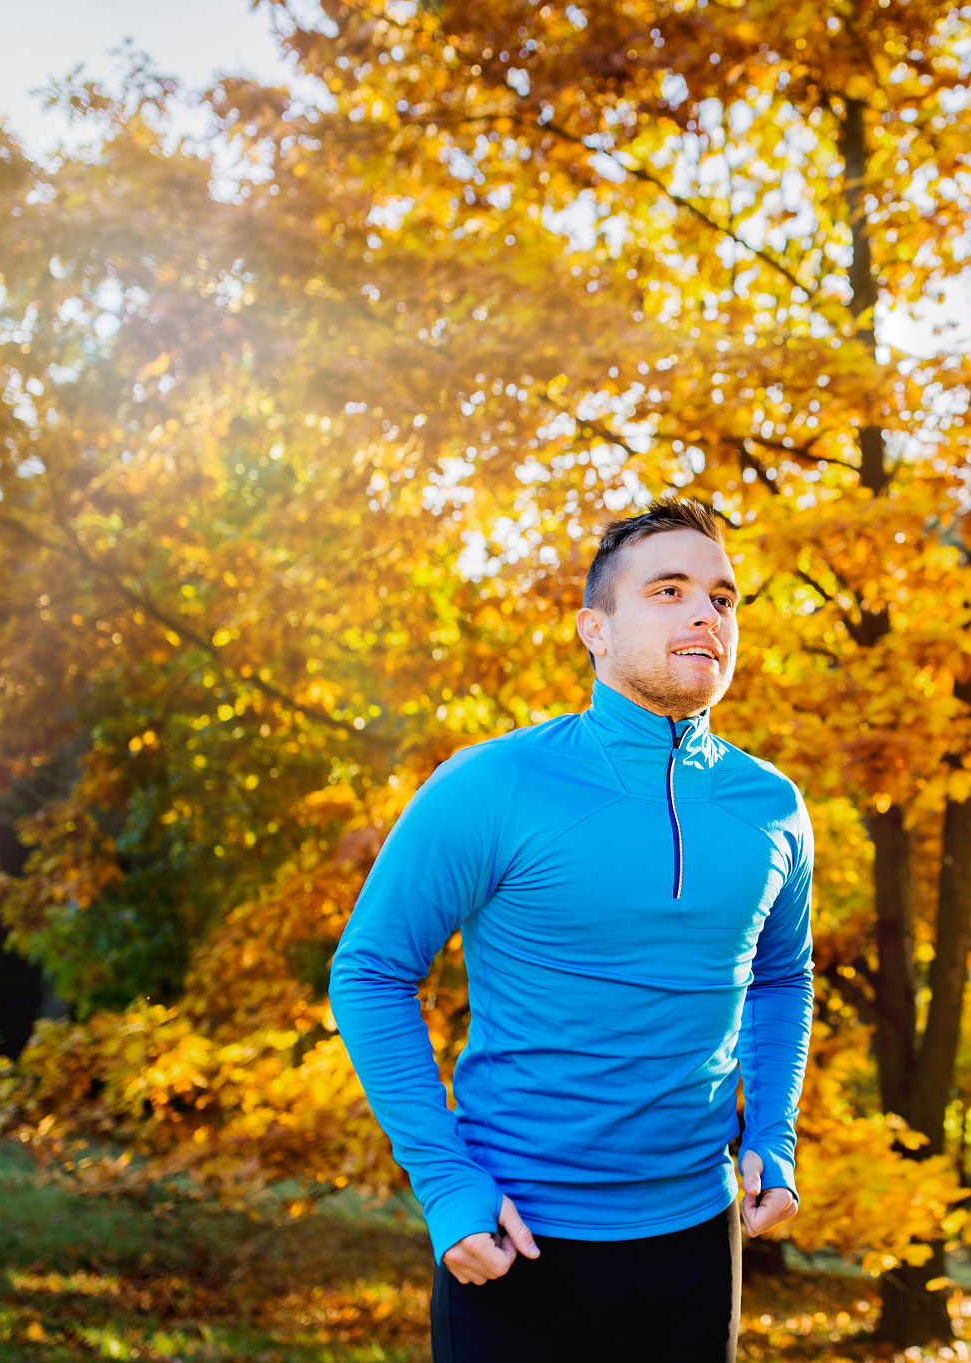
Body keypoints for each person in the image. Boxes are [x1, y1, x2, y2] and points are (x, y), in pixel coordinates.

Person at [330, 496, 813, 1363]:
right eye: (669, 590)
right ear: (595, 627)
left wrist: (772, 1133)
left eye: (724, 597)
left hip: (699, 1246)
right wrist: (445, 1182)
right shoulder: (493, 783)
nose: (707, 612)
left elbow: (781, 977)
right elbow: (370, 970)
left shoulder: (773, 808)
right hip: (517, 1240)